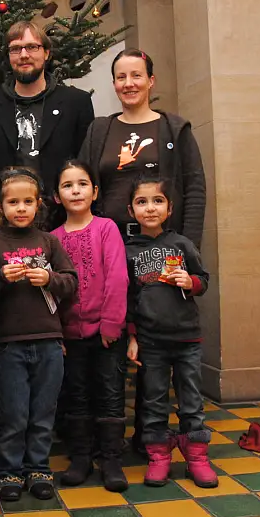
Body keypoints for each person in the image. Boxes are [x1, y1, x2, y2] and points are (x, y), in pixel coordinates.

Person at [77, 48, 206, 456]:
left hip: (160, 248)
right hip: (109, 245)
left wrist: (187, 249)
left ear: (151, 81)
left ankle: (151, 436)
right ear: (113, 83)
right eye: (121, 77)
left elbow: (195, 189)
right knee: (113, 336)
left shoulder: (174, 128)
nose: (129, 83)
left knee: (153, 342)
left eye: (136, 75)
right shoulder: (100, 130)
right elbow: (82, 181)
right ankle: (108, 434)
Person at [0, 167, 77, 502]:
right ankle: (8, 471)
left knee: (43, 412)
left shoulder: (49, 242)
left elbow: (71, 282)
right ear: (0, 206)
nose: (21, 208)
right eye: (13, 202)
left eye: (28, 201)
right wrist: (1, 278)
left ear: (39, 204)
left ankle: (38, 468)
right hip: (9, 345)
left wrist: (50, 280)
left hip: (50, 343)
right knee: (13, 414)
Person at [124, 175, 216, 489]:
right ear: (131, 210)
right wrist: (132, 337)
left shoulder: (182, 244)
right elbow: (128, 298)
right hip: (151, 341)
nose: (150, 208)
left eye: (157, 201)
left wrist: (191, 282)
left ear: (169, 208)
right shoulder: (129, 251)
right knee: (153, 401)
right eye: (142, 202)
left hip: (187, 339)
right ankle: (158, 457)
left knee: (192, 401)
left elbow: (203, 279)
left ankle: (197, 458)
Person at [51, 161, 129, 492]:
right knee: (76, 395)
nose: (76, 191)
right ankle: (81, 457)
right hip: (70, 336)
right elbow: (51, 293)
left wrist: (111, 324)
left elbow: (117, 278)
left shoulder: (106, 228)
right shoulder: (52, 238)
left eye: (82, 184)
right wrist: (57, 333)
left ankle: (110, 459)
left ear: (95, 192)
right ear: (57, 196)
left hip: (106, 333)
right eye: (67, 185)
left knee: (110, 394)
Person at [0, 21, 95, 233]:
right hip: (4, 228)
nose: (23, 55)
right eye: (15, 49)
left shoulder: (76, 103)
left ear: (46, 53)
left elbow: (86, 166)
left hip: (64, 224)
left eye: (32, 47)